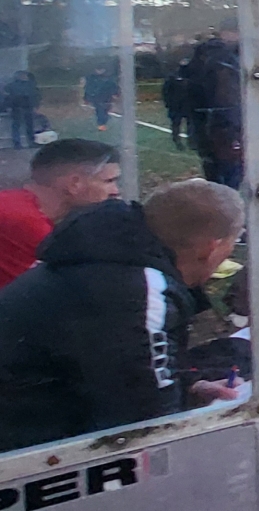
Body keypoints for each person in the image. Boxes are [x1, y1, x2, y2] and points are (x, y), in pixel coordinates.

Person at [0, 179, 245, 453]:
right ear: (210, 247)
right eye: (233, 242)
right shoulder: (137, 290)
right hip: (26, 450)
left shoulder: (104, 258)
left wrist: (189, 388)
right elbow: (148, 425)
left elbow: (111, 372)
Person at [0, 139, 121, 290]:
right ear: (74, 184)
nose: (116, 191)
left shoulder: (14, 205)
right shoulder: (28, 224)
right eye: (109, 181)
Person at [184, 18, 244, 189]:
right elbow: (226, 96)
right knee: (231, 173)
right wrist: (233, 126)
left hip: (207, 125)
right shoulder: (221, 58)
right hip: (222, 126)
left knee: (217, 171)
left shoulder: (204, 54)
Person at [161, 58, 192, 150]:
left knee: (190, 124)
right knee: (176, 123)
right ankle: (177, 140)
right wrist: (168, 103)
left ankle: (191, 141)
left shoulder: (192, 77)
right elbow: (166, 91)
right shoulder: (172, 77)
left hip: (188, 104)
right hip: (175, 105)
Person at [5, 71, 39, 150]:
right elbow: (9, 97)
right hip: (17, 108)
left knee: (30, 126)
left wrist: (35, 105)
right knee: (16, 126)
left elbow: (35, 95)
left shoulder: (31, 85)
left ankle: (31, 141)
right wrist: (9, 106)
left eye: (25, 75)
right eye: (22, 75)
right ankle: (17, 143)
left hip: (28, 108)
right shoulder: (12, 86)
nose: (24, 76)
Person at [82, 66, 118, 133]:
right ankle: (101, 124)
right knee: (100, 109)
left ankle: (102, 123)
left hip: (106, 96)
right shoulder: (92, 78)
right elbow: (88, 88)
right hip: (97, 97)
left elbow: (112, 85)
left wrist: (115, 93)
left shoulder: (107, 78)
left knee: (104, 109)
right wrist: (86, 97)